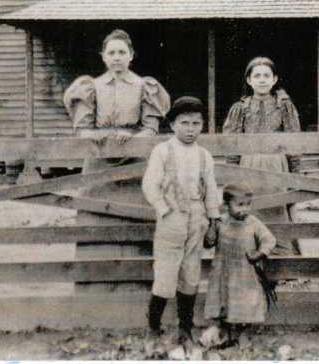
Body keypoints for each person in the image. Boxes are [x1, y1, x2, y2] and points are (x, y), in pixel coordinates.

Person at [62, 29, 170, 290]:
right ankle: (94, 287)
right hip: (100, 165)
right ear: (103, 57)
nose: (117, 57)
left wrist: (131, 137)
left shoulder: (146, 87)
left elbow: (150, 128)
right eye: (111, 52)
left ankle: (138, 285)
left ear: (131, 56)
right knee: (97, 219)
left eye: (122, 52)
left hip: (135, 165)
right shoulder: (90, 86)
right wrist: (98, 135)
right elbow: (83, 128)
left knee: (138, 218)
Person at [141, 96, 221, 350]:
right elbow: (150, 184)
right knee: (165, 274)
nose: (190, 129)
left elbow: (210, 188)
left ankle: (184, 328)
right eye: (184, 123)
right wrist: (164, 210)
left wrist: (213, 219)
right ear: (173, 124)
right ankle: (153, 328)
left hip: (197, 218)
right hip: (171, 218)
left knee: (191, 273)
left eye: (196, 123)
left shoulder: (204, 155)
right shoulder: (162, 151)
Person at [223, 56, 301, 250]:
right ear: (249, 80)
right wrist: (232, 176)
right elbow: (232, 145)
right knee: (250, 207)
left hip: (277, 166)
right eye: (257, 75)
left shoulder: (284, 106)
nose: (262, 79)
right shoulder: (239, 108)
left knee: (277, 206)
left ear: (274, 79)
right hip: (249, 166)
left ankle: (281, 256)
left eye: (267, 75)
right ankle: (251, 253)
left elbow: (294, 141)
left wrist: (295, 175)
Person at [203, 183, 277, 349]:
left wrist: (259, 254)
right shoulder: (221, 221)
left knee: (246, 303)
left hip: (245, 273)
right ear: (227, 205)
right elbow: (208, 243)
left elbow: (269, 240)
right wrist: (211, 229)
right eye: (239, 205)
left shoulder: (253, 223)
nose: (245, 209)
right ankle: (226, 333)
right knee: (224, 301)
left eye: (248, 204)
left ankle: (244, 334)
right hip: (223, 273)